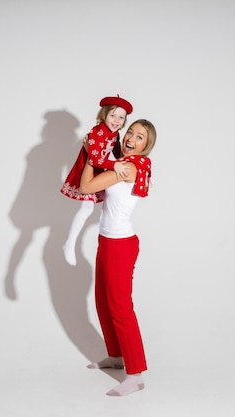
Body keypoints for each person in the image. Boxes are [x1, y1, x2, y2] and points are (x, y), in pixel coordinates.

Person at [79, 119, 156, 397]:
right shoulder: (118, 163)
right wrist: (99, 154)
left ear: (146, 147)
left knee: (121, 309)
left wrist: (91, 155)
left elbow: (86, 187)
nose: (132, 138)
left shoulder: (128, 168)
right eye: (131, 133)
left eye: (140, 137)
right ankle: (116, 358)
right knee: (103, 301)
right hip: (107, 240)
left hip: (121, 245)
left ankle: (135, 375)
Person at [60, 95, 133, 266]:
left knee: (107, 201)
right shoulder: (96, 132)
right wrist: (114, 165)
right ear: (104, 115)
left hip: (101, 170)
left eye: (121, 118)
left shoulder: (115, 134)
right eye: (112, 116)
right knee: (86, 208)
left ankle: (95, 231)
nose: (116, 121)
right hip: (89, 171)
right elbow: (94, 159)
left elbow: (116, 152)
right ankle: (69, 243)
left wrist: (121, 161)